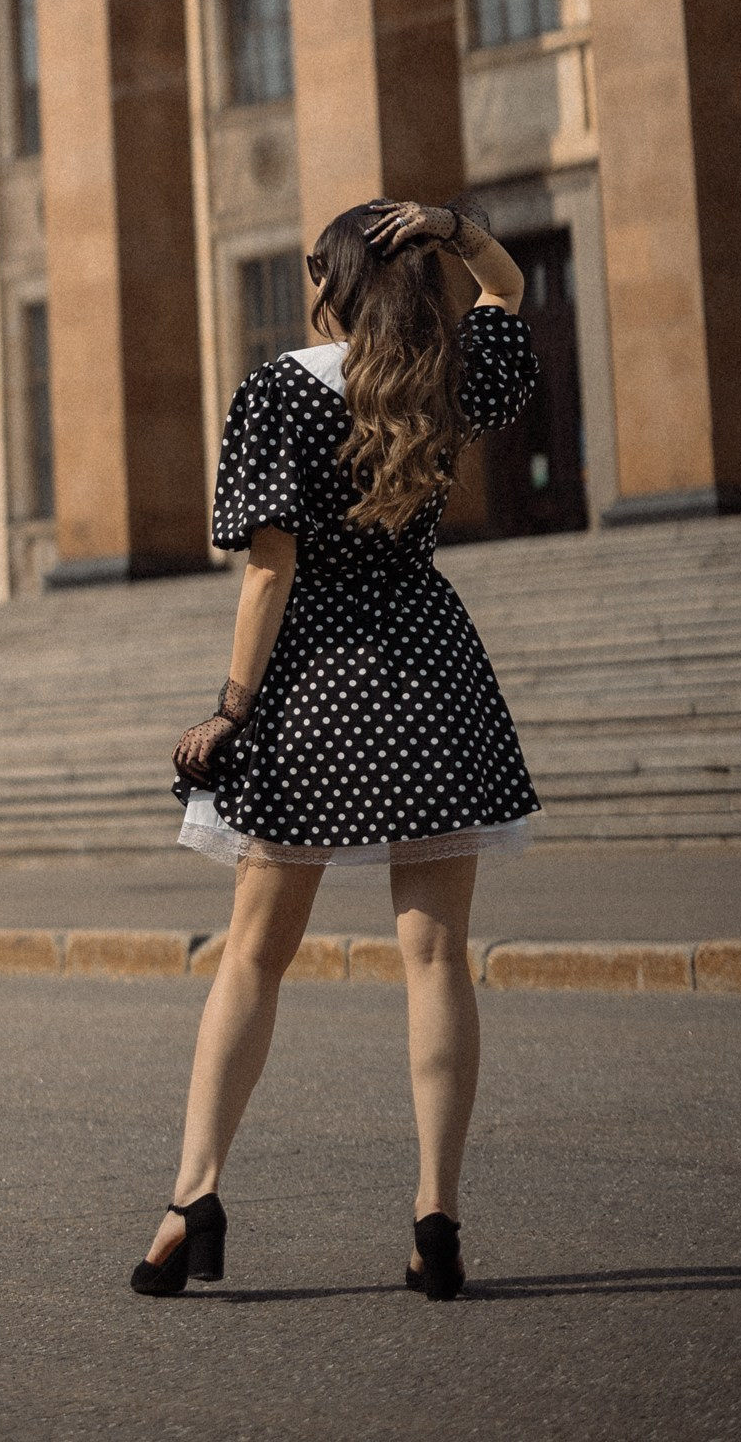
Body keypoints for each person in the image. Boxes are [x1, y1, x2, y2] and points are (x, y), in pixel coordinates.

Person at [130, 197, 540, 1305]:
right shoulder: (442, 377)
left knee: (253, 957)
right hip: (432, 675)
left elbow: (268, 571)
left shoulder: (278, 389)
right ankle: (435, 1222)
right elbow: (507, 292)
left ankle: (192, 1199)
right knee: (434, 959)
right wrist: (455, 227)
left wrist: (228, 706)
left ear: (330, 281)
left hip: (318, 688)